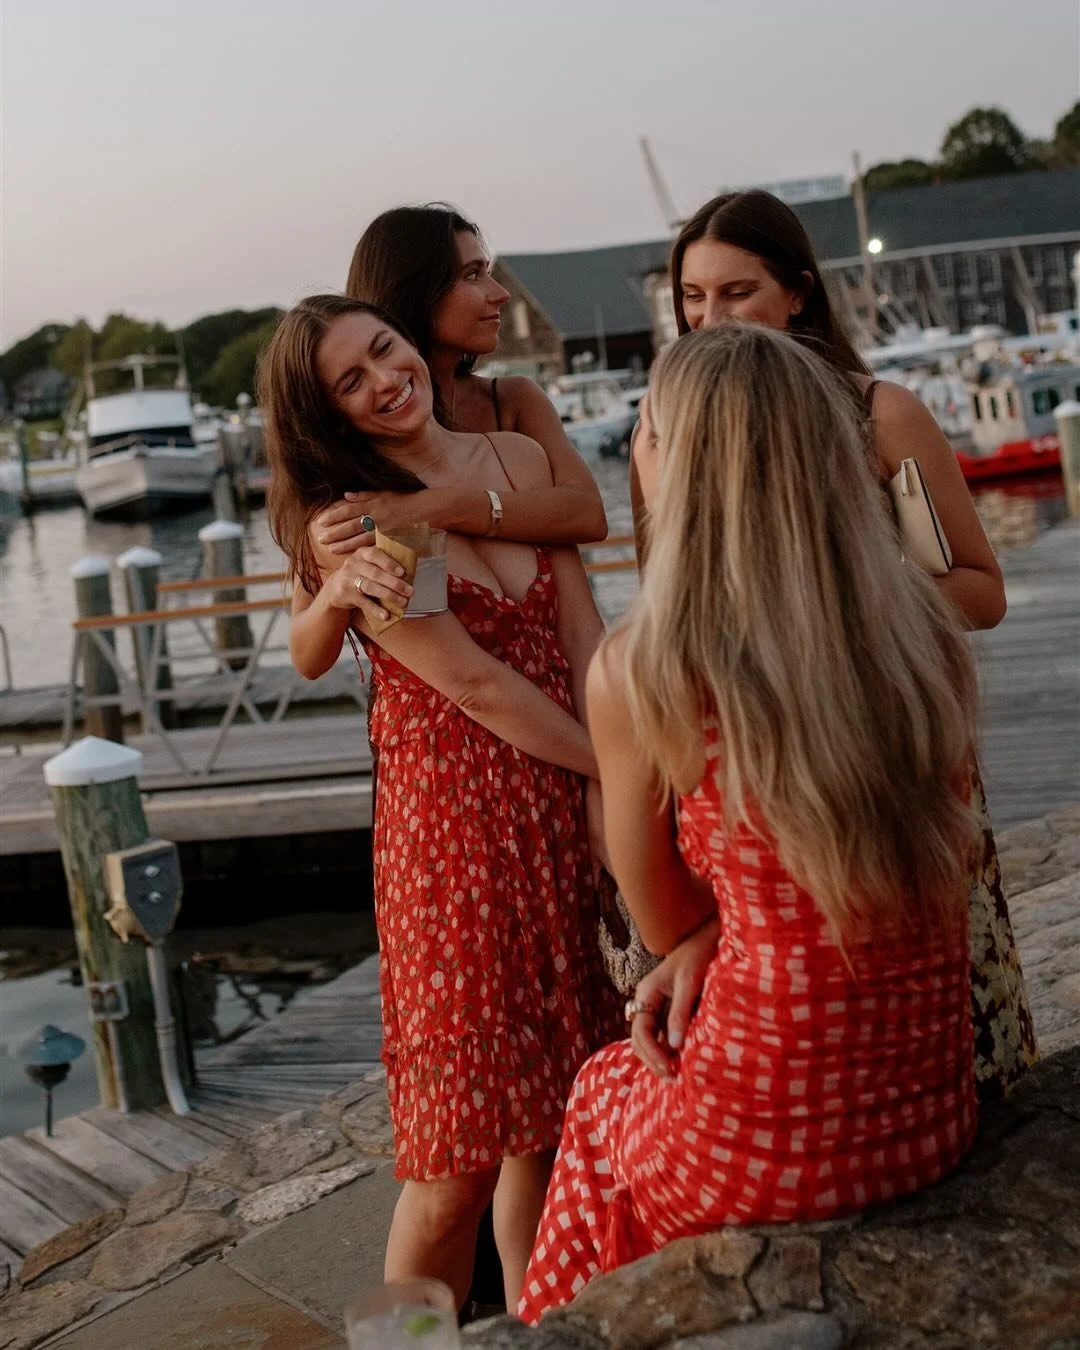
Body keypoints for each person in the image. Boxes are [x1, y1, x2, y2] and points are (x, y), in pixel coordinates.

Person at [520, 322, 982, 1320]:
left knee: (600, 1094)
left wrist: (702, 942)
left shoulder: (646, 670)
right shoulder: (920, 633)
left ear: (677, 464)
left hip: (770, 1134)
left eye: (646, 429)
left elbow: (659, 918)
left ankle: (569, 1332)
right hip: (930, 1110)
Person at [629, 190, 1036, 1104]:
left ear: (799, 293)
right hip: (754, 771)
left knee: (956, 1017)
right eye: (692, 298)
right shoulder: (668, 432)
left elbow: (982, 590)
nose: (710, 318)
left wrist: (839, 610)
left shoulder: (879, 414)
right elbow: (667, 617)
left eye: (736, 292)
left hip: (891, 744)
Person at [260, 295, 622, 1313]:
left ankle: (540, 1328)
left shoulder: (514, 460)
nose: (386, 380)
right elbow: (472, 683)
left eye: (385, 350)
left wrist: (620, 765)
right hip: (460, 840)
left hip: (567, 799)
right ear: (328, 414)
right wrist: (612, 769)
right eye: (352, 381)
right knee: (454, 1161)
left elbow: (582, 628)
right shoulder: (373, 524)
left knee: (554, 1122)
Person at [293, 203, 607, 638]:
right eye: (473, 275)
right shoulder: (354, 457)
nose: (500, 293)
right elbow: (305, 638)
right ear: (418, 292)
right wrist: (334, 594)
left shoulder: (512, 402)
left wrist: (430, 507)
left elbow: (587, 514)